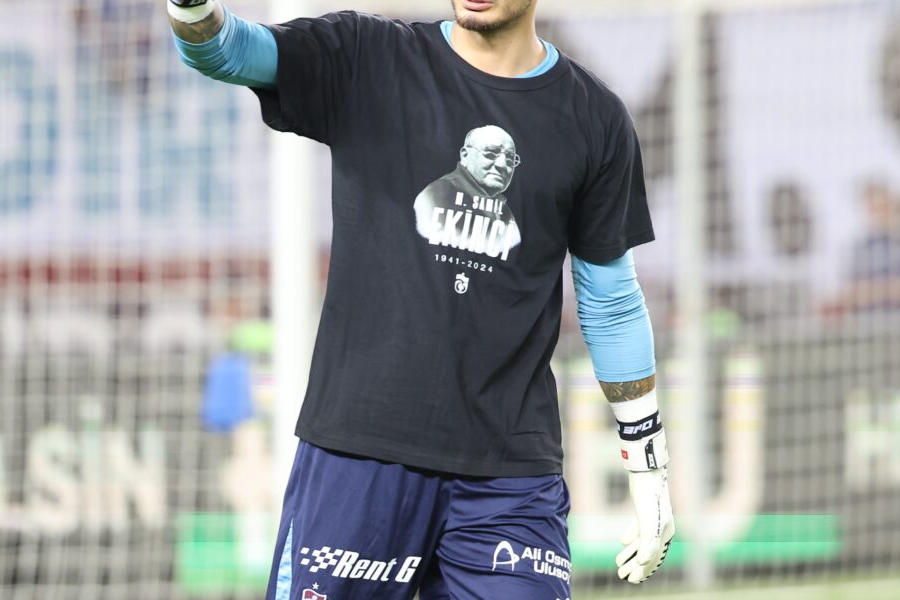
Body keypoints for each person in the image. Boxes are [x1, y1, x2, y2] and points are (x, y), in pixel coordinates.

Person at [167, 1, 675, 598]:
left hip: (510, 480)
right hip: (358, 460)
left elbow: (611, 302)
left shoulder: (594, 118)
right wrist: (190, 6)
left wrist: (649, 466)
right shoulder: (368, 57)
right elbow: (225, 50)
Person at [414, 125, 522, 257]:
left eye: (510, 158)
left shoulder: (504, 210)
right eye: (491, 153)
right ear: (465, 155)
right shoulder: (437, 196)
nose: (502, 164)